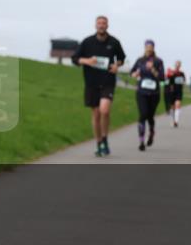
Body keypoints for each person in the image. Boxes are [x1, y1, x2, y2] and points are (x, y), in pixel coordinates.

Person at [71, 16, 126, 157]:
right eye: (99, 23)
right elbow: (75, 58)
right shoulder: (87, 42)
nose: (101, 25)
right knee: (95, 115)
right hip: (91, 83)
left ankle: (105, 138)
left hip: (108, 81)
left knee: (105, 110)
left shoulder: (114, 42)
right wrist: (87, 61)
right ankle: (99, 142)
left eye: (104, 23)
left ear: (107, 25)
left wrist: (116, 65)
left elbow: (121, 59)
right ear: (95, 25)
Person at [130, 40, 165, 151]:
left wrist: (153, 69)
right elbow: (132, 72)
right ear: (144, 47)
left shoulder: (158, 61)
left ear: (153, 48)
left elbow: (162, 78)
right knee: (143, 114)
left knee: (150, 116)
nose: (149, 49)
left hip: (154, 93)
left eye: (151, 47)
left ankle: (151, 132)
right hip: (141, 92)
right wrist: (135, 74)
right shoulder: (140, 60)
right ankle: (141, 141)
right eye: (147, 47)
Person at [164, 60, 186, 127]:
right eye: (176, 64)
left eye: (178, 64)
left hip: (179, 91)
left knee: (177, 105)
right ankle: (173, 120)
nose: (177, 66)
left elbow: (184, 81)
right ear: (174, 65)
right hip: (171, 92)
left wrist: (183, 83)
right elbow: (166, 81)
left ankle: (176, 122)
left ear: (180, 66)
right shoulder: (170, 72)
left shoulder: (182, 73)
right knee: (172, 108)